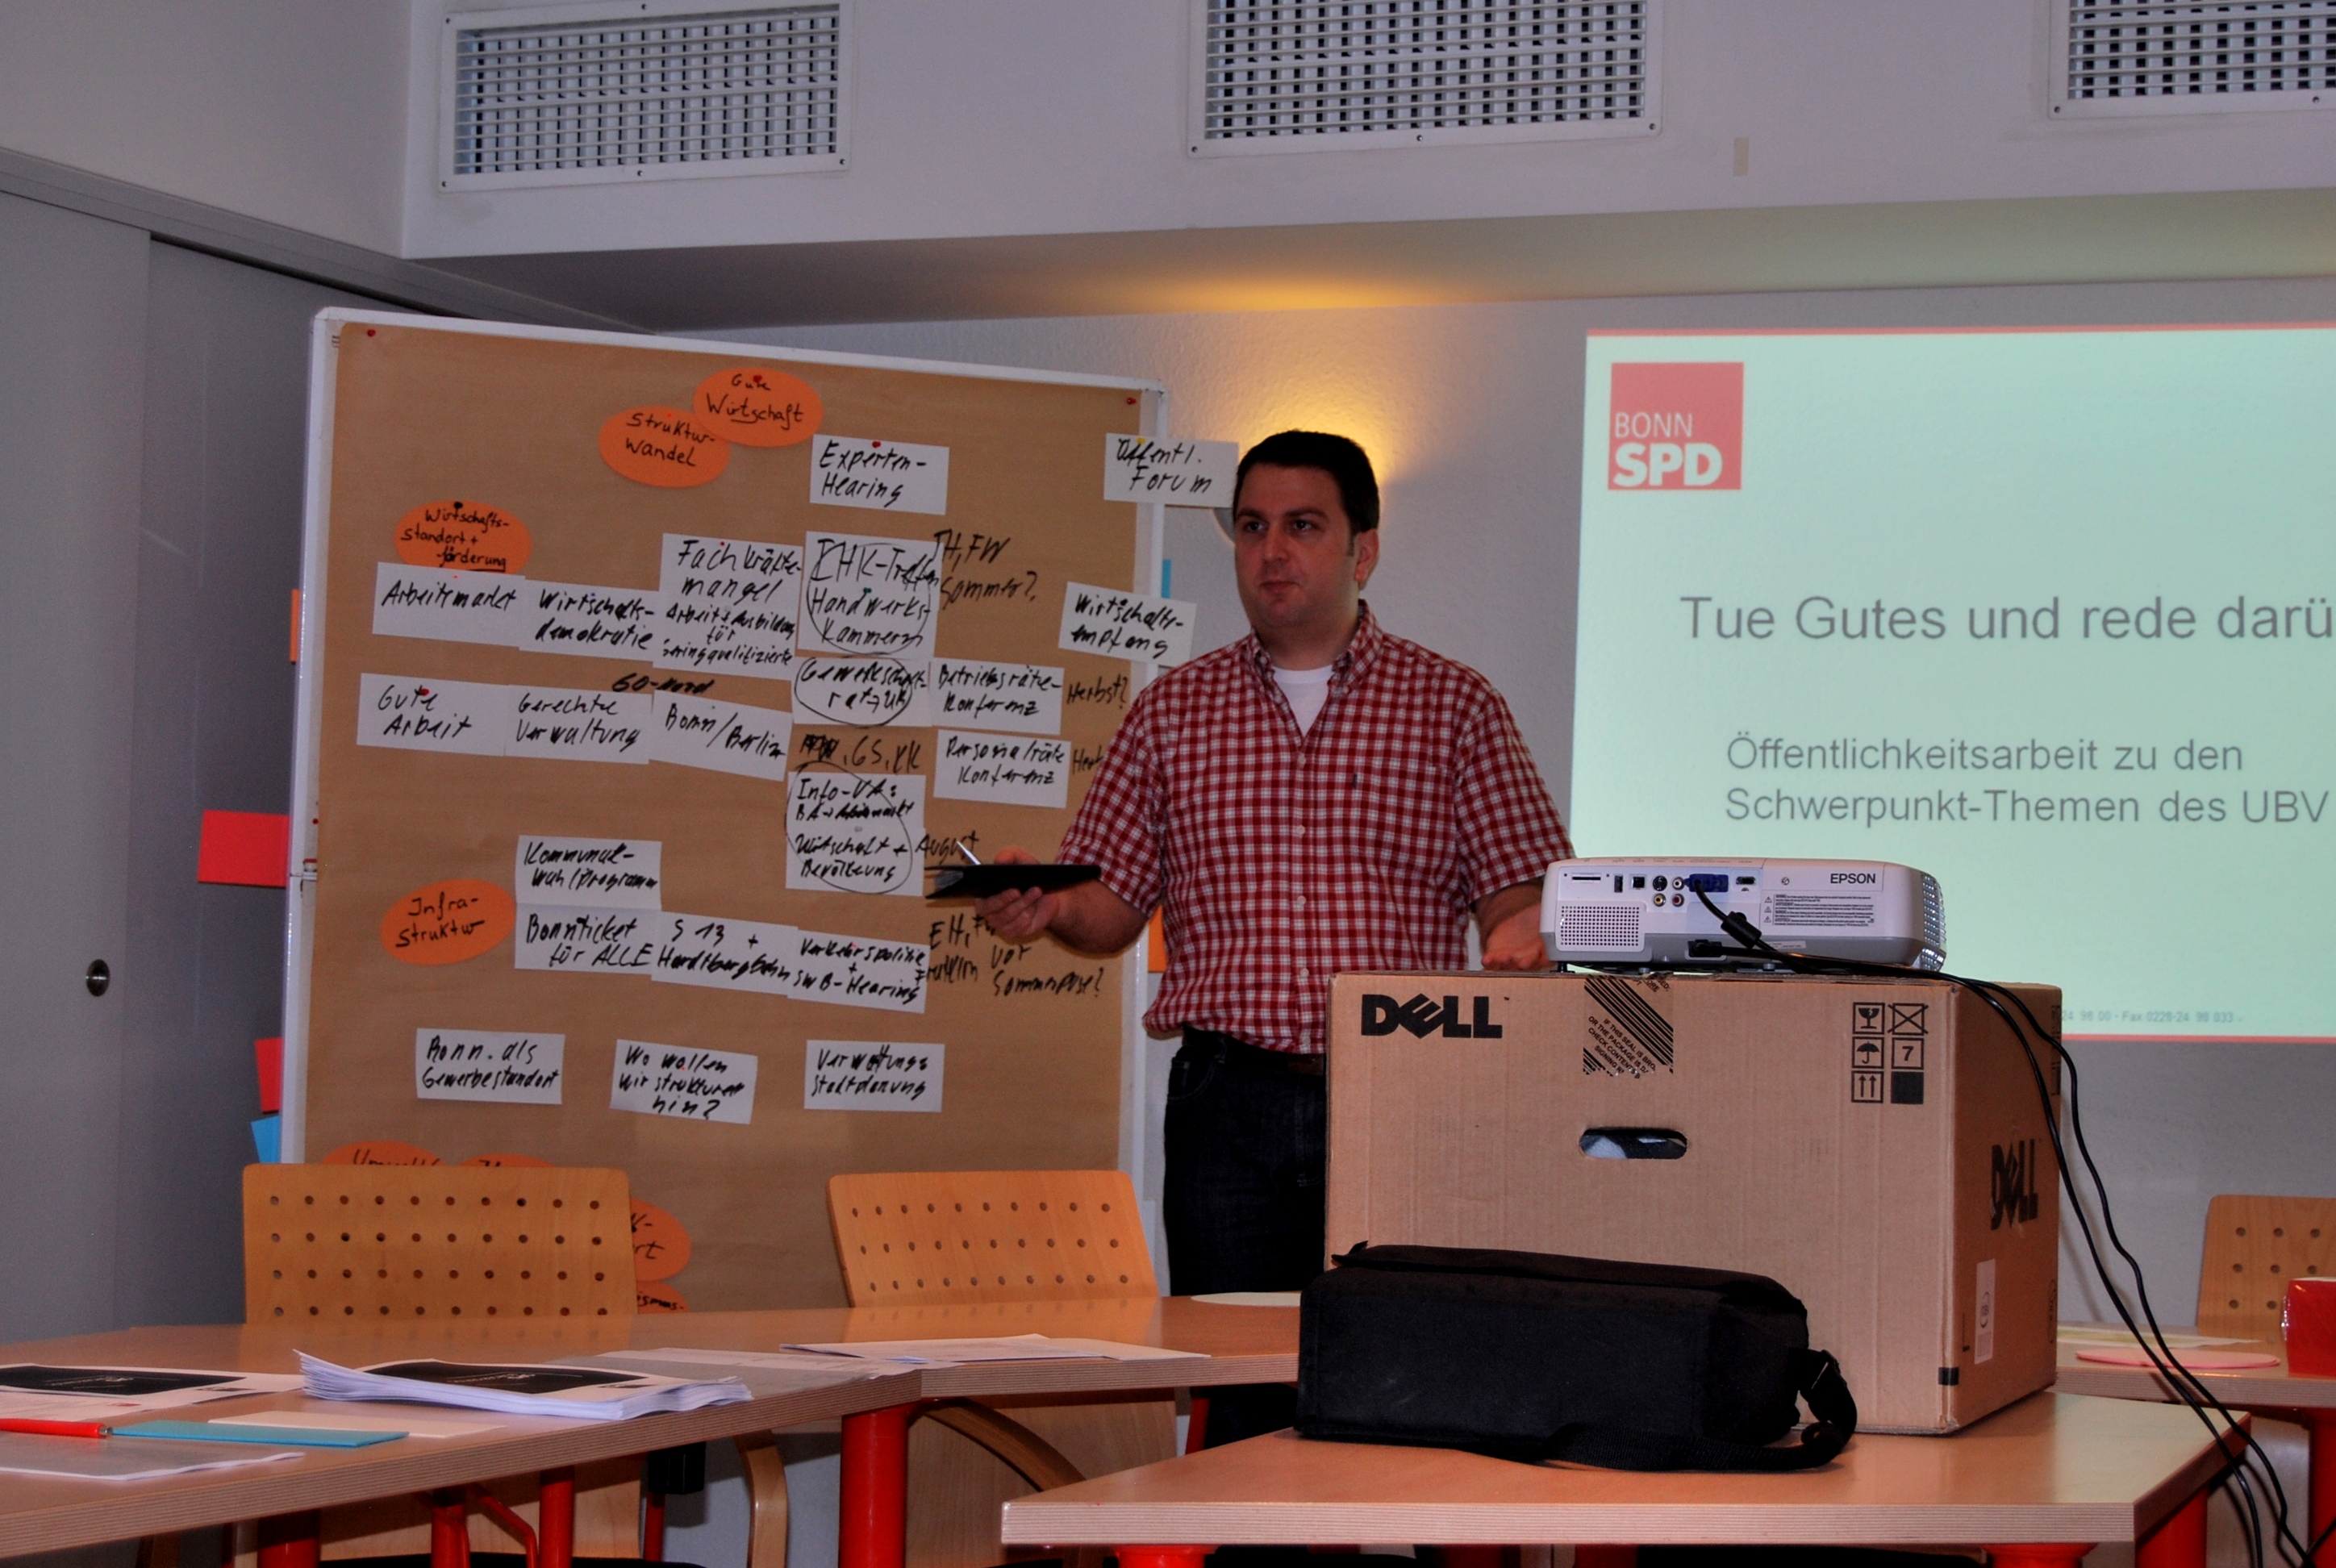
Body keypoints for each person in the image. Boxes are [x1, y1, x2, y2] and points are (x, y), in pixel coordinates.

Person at [976, 430, 1571, 1437]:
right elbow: (1109, 905)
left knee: (1407, 1387)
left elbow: (1516, 890)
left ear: (1362, 549)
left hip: (1400, 1095)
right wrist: (1049, 905)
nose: (1272, 552)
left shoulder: (1454, 704)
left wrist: (1523, 936)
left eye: (1303, 526)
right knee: (1242, 1403)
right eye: (1252, 528)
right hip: (1228, 1107)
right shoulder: (1172, 710)